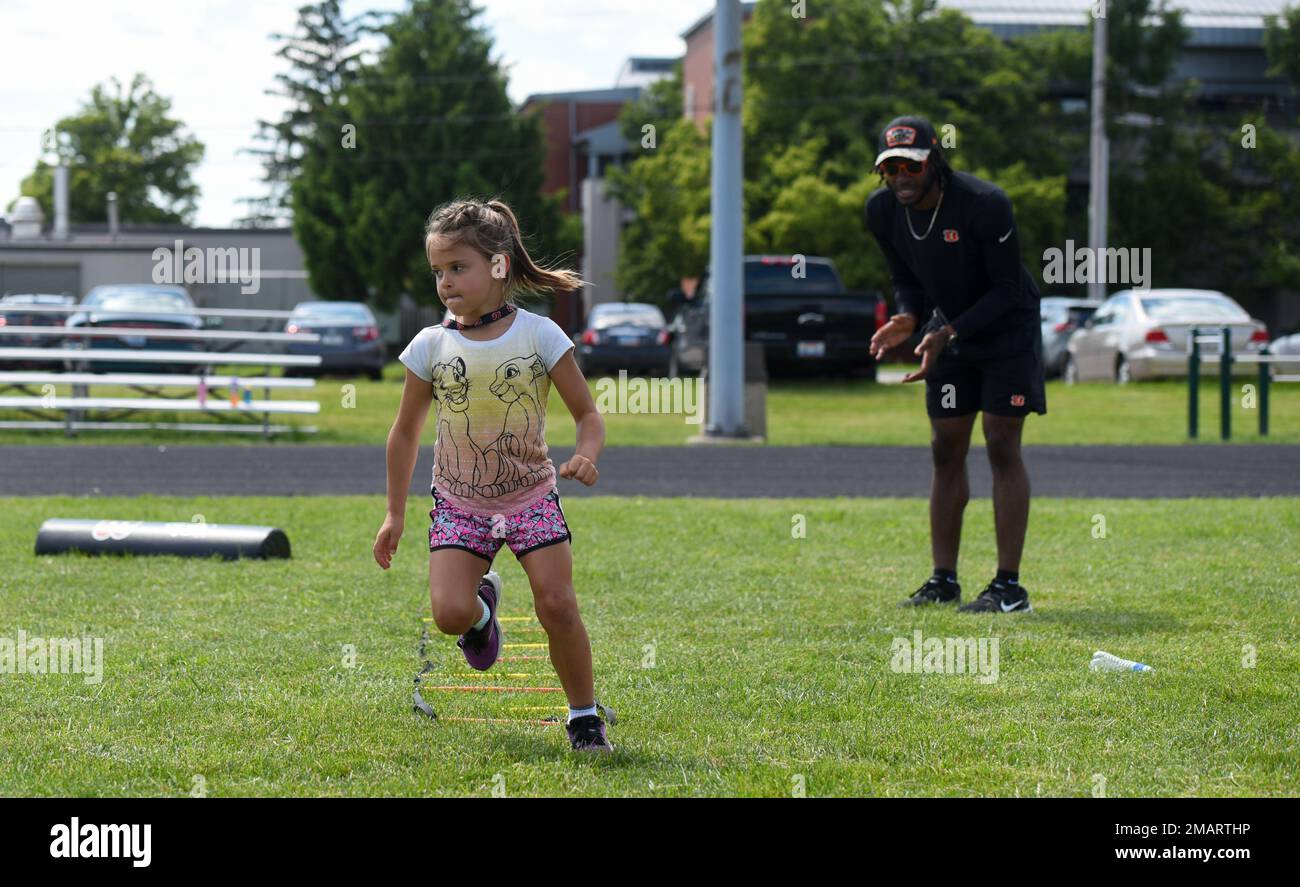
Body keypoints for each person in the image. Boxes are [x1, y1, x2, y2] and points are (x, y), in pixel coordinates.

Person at [373, 197, 612, 750]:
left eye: (459, 268)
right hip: (459, 503)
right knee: (450, 614)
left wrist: (587, 454)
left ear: (499, 265)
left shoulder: (541, 335)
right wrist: (394, 513)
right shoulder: (429, 346)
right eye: (438, 271)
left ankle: (583, 715)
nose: (446, 282)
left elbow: (589, 414)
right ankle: (483, 615)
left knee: (557, 605)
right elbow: (405, 432)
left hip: (531, 498)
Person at [865, 116, 1045, 614]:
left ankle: (1009, 587)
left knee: (1001, 445)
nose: (901, 176)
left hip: (1006, 330)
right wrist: (907, 316)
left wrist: (949, 332)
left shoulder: (985, 204)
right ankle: (944, 579)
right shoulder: (882, 212)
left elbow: (1008, 289)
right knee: (946, 448)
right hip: (946, 334)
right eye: (891, 167)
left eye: (911, 165)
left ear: (934, 163)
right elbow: (907, 279)